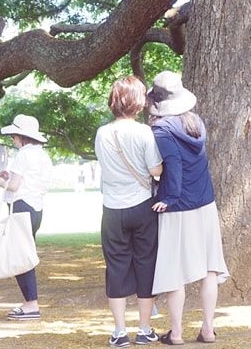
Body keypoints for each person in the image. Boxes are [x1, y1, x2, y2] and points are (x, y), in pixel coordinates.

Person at [147, 70, 229, 346]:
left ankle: (177, 333)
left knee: (174, 270)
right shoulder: (195, 123)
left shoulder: (162, 129)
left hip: (178, 205)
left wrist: (169, 197)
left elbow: (173, 165)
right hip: (205, 202)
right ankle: (208, 329)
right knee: (208, 268)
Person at [95, 76, 164, 348]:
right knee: (146, 264)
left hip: (112, 208)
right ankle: (144, 328)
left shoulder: (102, 133)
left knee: (116, 267)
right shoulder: (144, 132)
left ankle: (119, 331)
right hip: (142, 205)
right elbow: (155, 170)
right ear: (139, 102)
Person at [0, 113, 53, 320]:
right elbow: (24, 181)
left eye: (14, 136)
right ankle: (30, 302)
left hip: (22, 207)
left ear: (21, 136)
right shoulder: (42, 155)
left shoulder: (24, 154)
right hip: (36, 209)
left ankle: (31, 304)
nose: (13, 140)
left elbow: (15, 186)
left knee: (20, 256)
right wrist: (7, 178)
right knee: (23, 253)